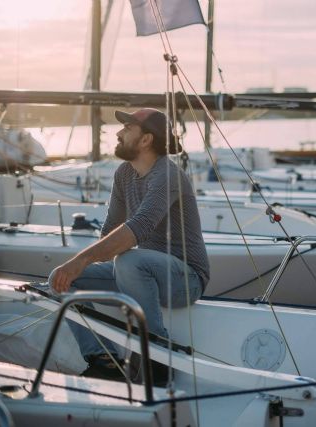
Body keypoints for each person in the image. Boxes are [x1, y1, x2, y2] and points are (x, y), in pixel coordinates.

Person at [49, 108, 209, 383]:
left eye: (127, 128)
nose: (118, 132)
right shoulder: (124, 174)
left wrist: (82, 259)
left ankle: (156, 354)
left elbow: (139, 227)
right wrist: (82, 265)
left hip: (185, 279)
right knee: (59, 280)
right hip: (139, 274)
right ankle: (104, 359)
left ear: (146, 140)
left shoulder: (168, 175)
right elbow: (110, 232)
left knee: (127, 260)